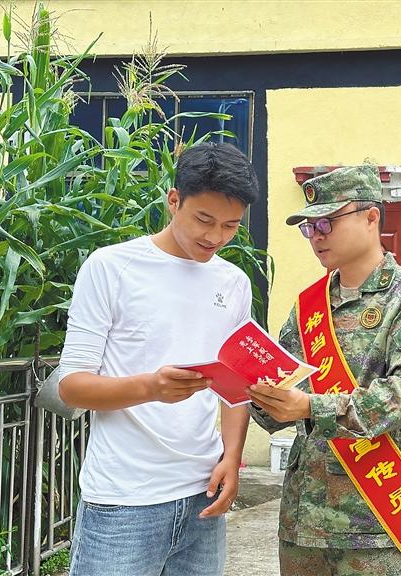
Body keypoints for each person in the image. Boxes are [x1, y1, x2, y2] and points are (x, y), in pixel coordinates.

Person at [57, 142, 259, 576]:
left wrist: (232, 456)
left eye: (230, 226)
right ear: (174, 200)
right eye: (203, 219)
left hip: (204, 495)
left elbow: (234, 386)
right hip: (124, 500)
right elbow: (71, 387)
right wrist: (151, 387)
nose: (215, 237)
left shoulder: (234, 282)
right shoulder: (111, 268)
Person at [248, 165, 401, 576]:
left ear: (371, 217)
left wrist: (309, 407)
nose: (316, 236)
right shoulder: (309, 306)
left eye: (327, 222)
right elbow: (279, 401)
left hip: (376, 523)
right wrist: (254, 391)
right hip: (303, 520)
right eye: (309, 227)